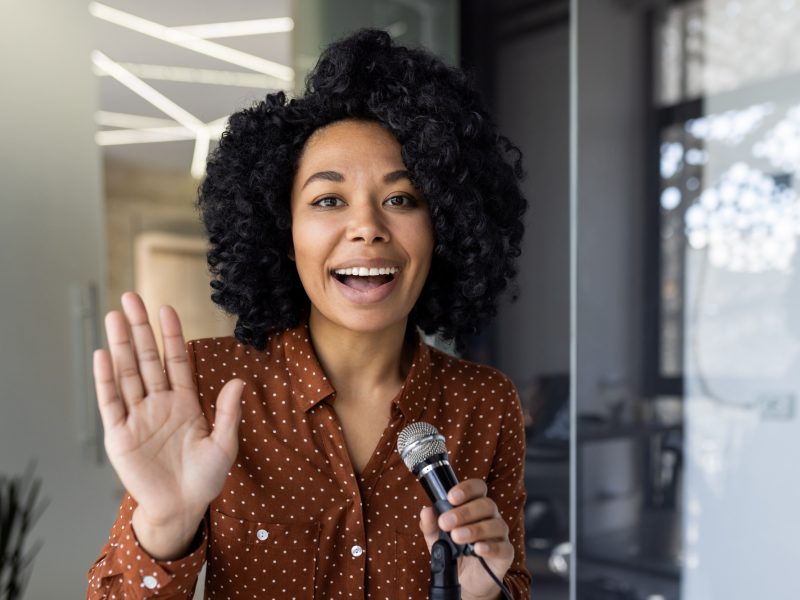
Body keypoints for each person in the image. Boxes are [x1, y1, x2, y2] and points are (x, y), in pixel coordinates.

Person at [87, 28, 530, 599]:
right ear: (284, 234)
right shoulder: (207, 386)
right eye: (328, 200)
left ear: (444, 225)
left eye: (401, 199)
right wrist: (165, 527)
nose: (367, 226)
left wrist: (479, 593)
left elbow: (508, 581)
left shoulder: (485, 404)